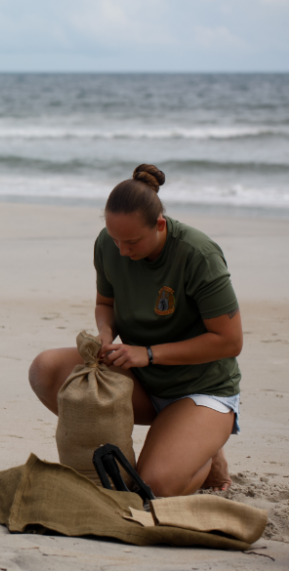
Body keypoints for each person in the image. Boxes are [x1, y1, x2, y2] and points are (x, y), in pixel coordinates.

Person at [28, 164, 243, 497]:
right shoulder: (109, 245)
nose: (123, 251)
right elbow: (105, 302)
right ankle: (177, 438)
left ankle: (204, 448)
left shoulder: (199, 254)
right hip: (140, 380)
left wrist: (149, 354)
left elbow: (229, 342)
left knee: (154, 487)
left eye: (131, 242)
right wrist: (104, 333)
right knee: (46, 370)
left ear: (159, 225)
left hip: (200, 389)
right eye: (115, 240)